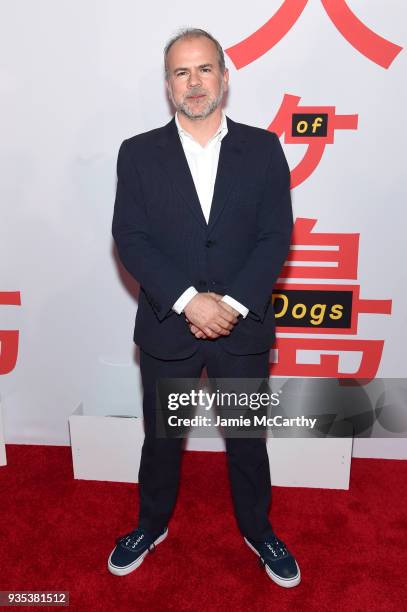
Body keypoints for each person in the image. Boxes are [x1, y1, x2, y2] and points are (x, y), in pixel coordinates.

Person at [108, 28, 300, 588]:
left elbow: (275, 236)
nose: (194, 83)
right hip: (170, 324)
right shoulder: (138, 153)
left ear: (225, 75)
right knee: (162, 439)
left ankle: (258, 530)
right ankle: (150, 524)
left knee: (246, 438)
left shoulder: (263, 149)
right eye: (181, 73)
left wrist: (233, 305)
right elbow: (131, 236)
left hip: (243, 329)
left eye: (204, 69)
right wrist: (192, 301)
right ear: (168, 85)